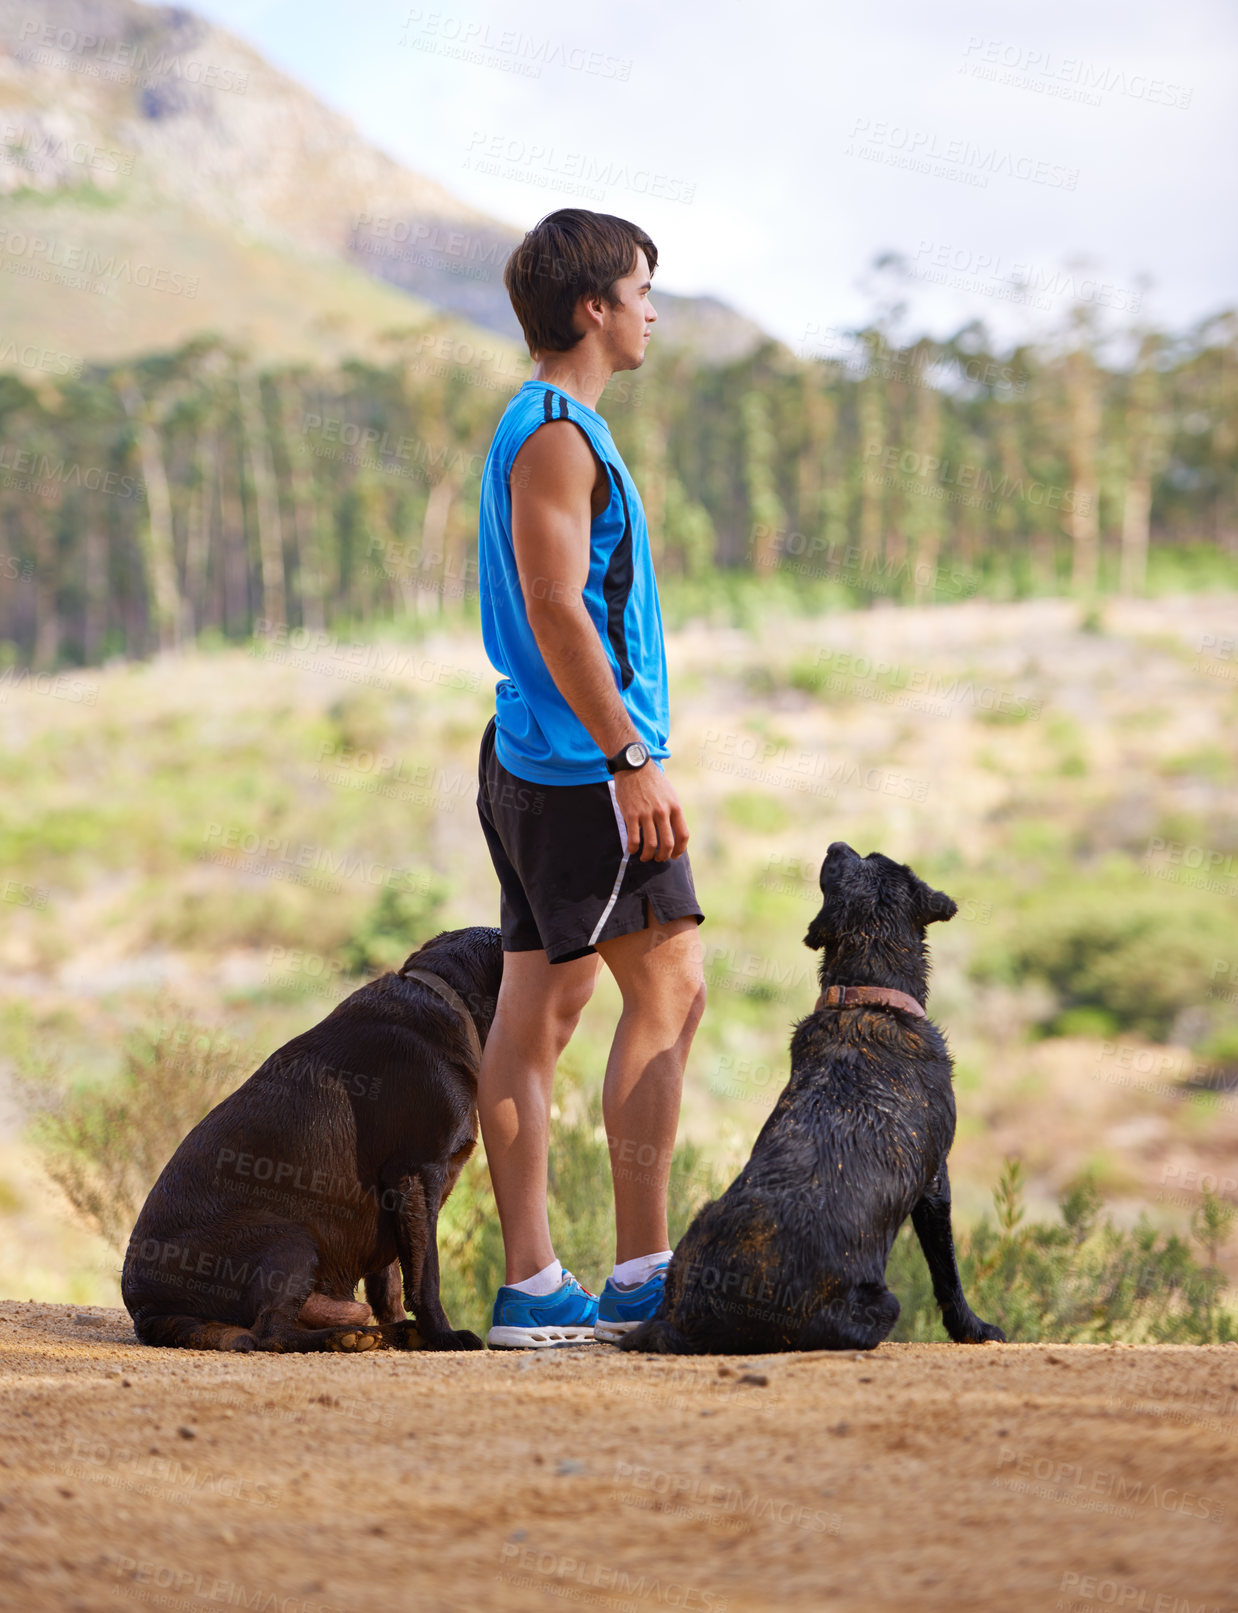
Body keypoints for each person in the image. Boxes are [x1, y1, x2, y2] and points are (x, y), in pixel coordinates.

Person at [475, 208, 706, 1348]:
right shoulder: (559, 431)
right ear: (592, 310)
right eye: (640, 289)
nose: (651, 309)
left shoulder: (537, 423)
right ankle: (642, 1276)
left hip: (531, 757)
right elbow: (556, 604)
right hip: (580, 768)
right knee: (670, 991)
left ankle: (531, 1287)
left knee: (538, 1009)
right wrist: (630, 758)